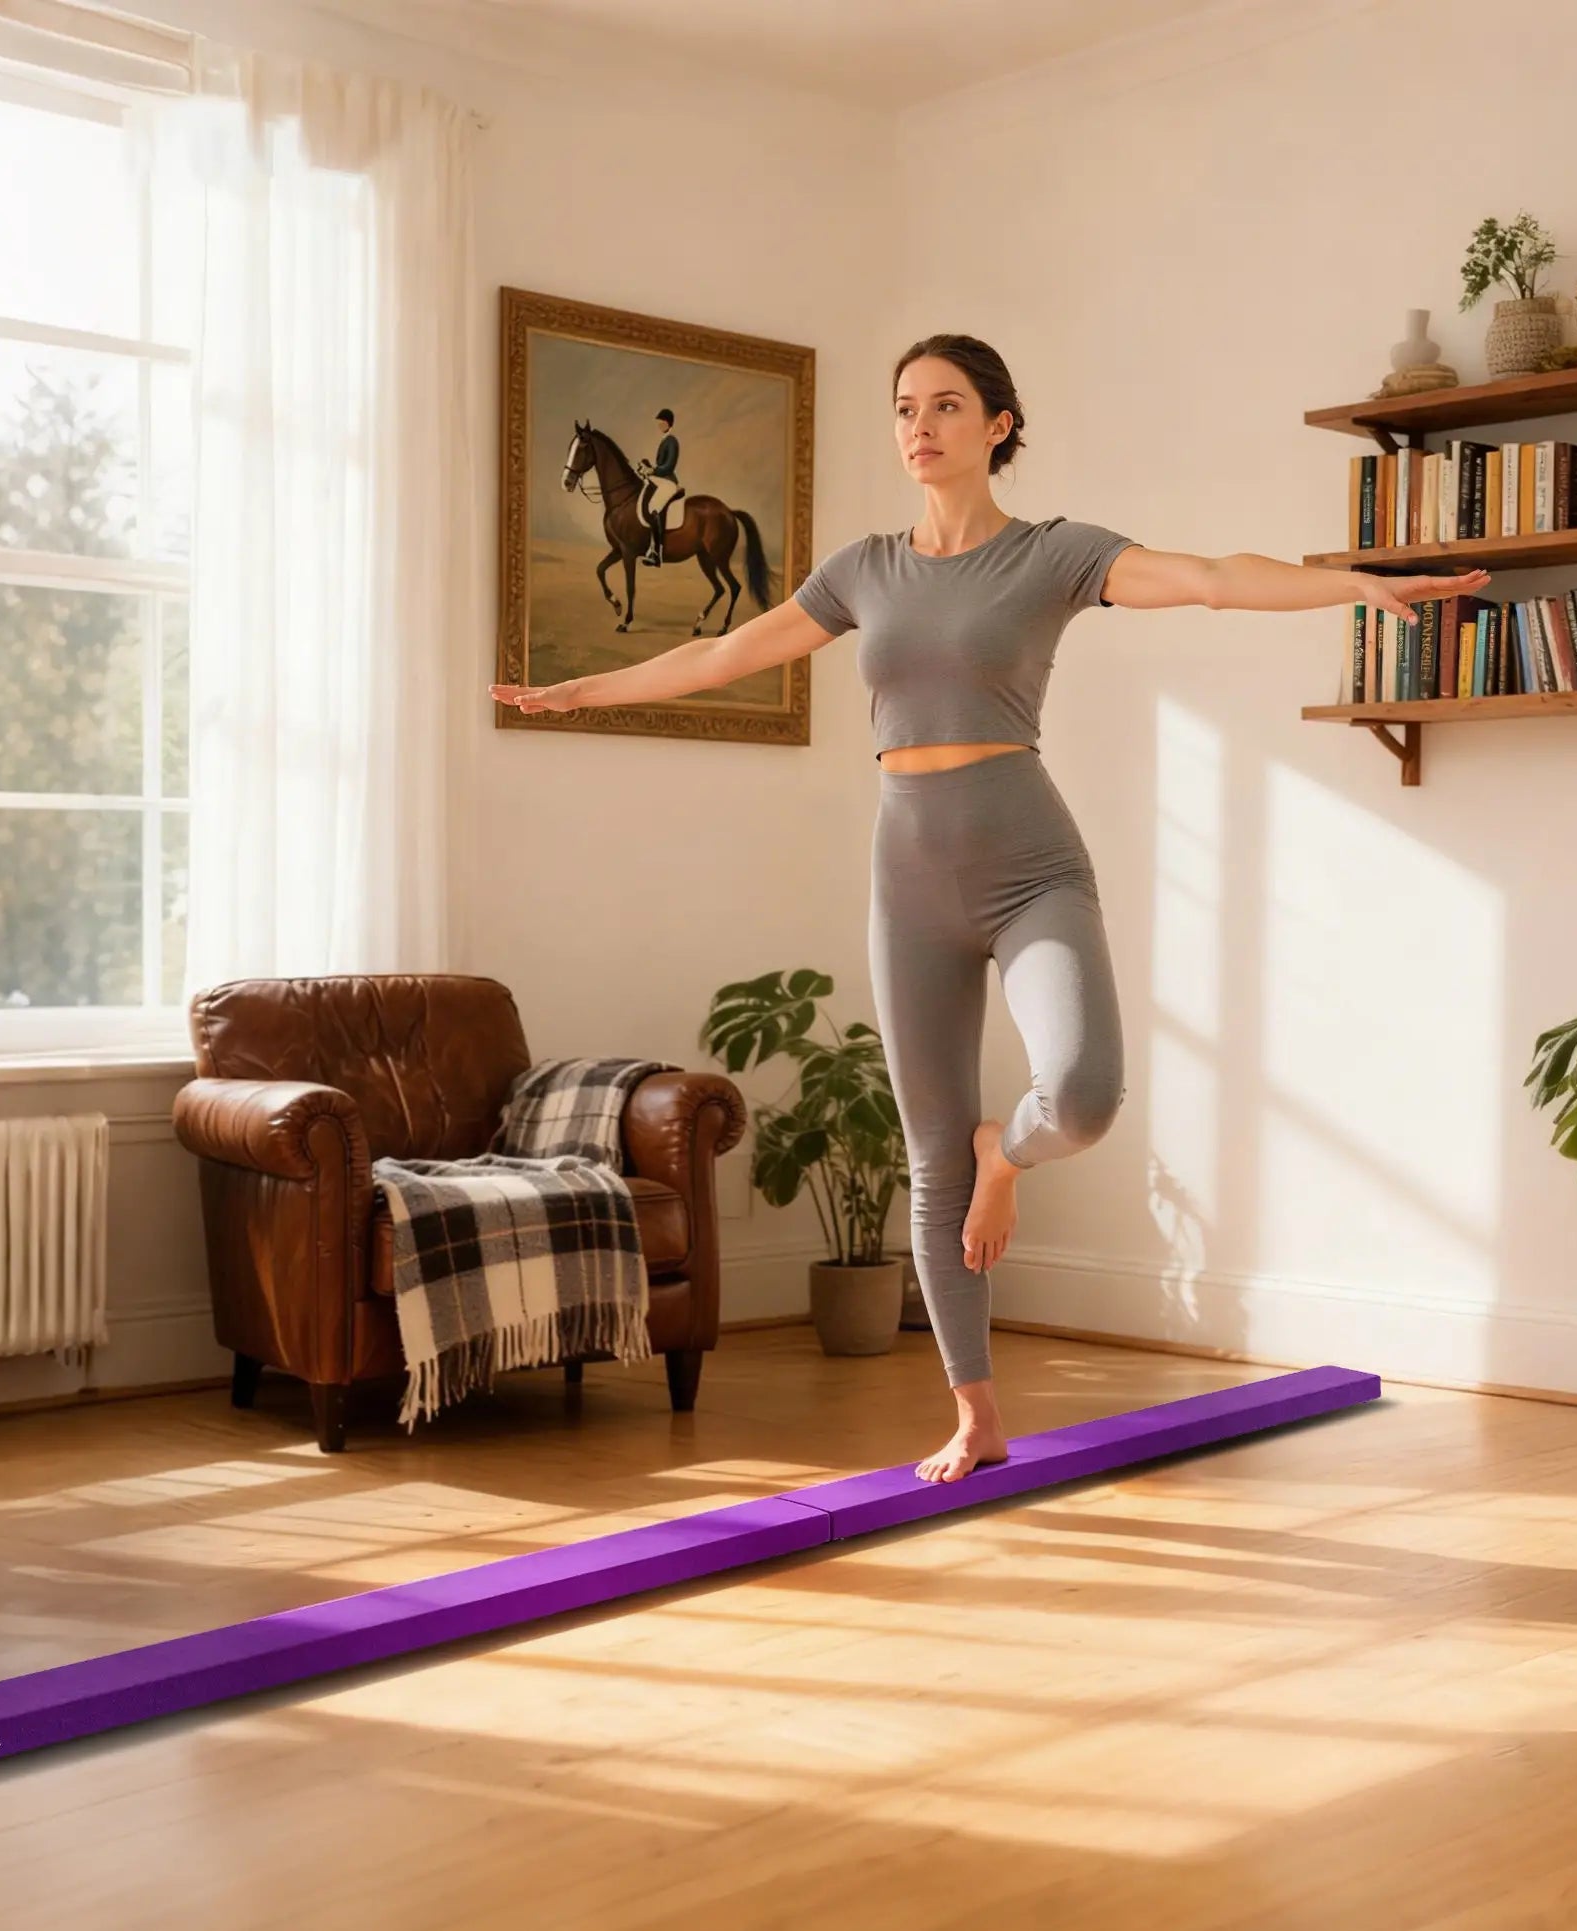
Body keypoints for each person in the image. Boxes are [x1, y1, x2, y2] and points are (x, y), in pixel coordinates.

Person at [491, 333, 1489, 1484]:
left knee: (1080, 1094)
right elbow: (725, 650)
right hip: (904, 877)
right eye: (904, 406)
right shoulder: (863, 567)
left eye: (946, 406)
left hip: (1027, 863)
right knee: (928, 1161)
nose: (919, 426)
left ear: (997, 425)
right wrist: (581, 690)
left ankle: (1000, 1153)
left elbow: (1214, 576)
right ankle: (975, 1415)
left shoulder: (1052, 555)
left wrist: (1355, 586)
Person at [637, 407, 682, 566]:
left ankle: (657, 552)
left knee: (654, 508)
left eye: (661, 422)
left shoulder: (672, 441)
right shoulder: (664, 440)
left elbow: (668, 466)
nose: (659, 425)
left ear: (668, 423)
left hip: (669, 481)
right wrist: (646, 469)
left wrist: (653, 470)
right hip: (661, 479)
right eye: (659, 422)